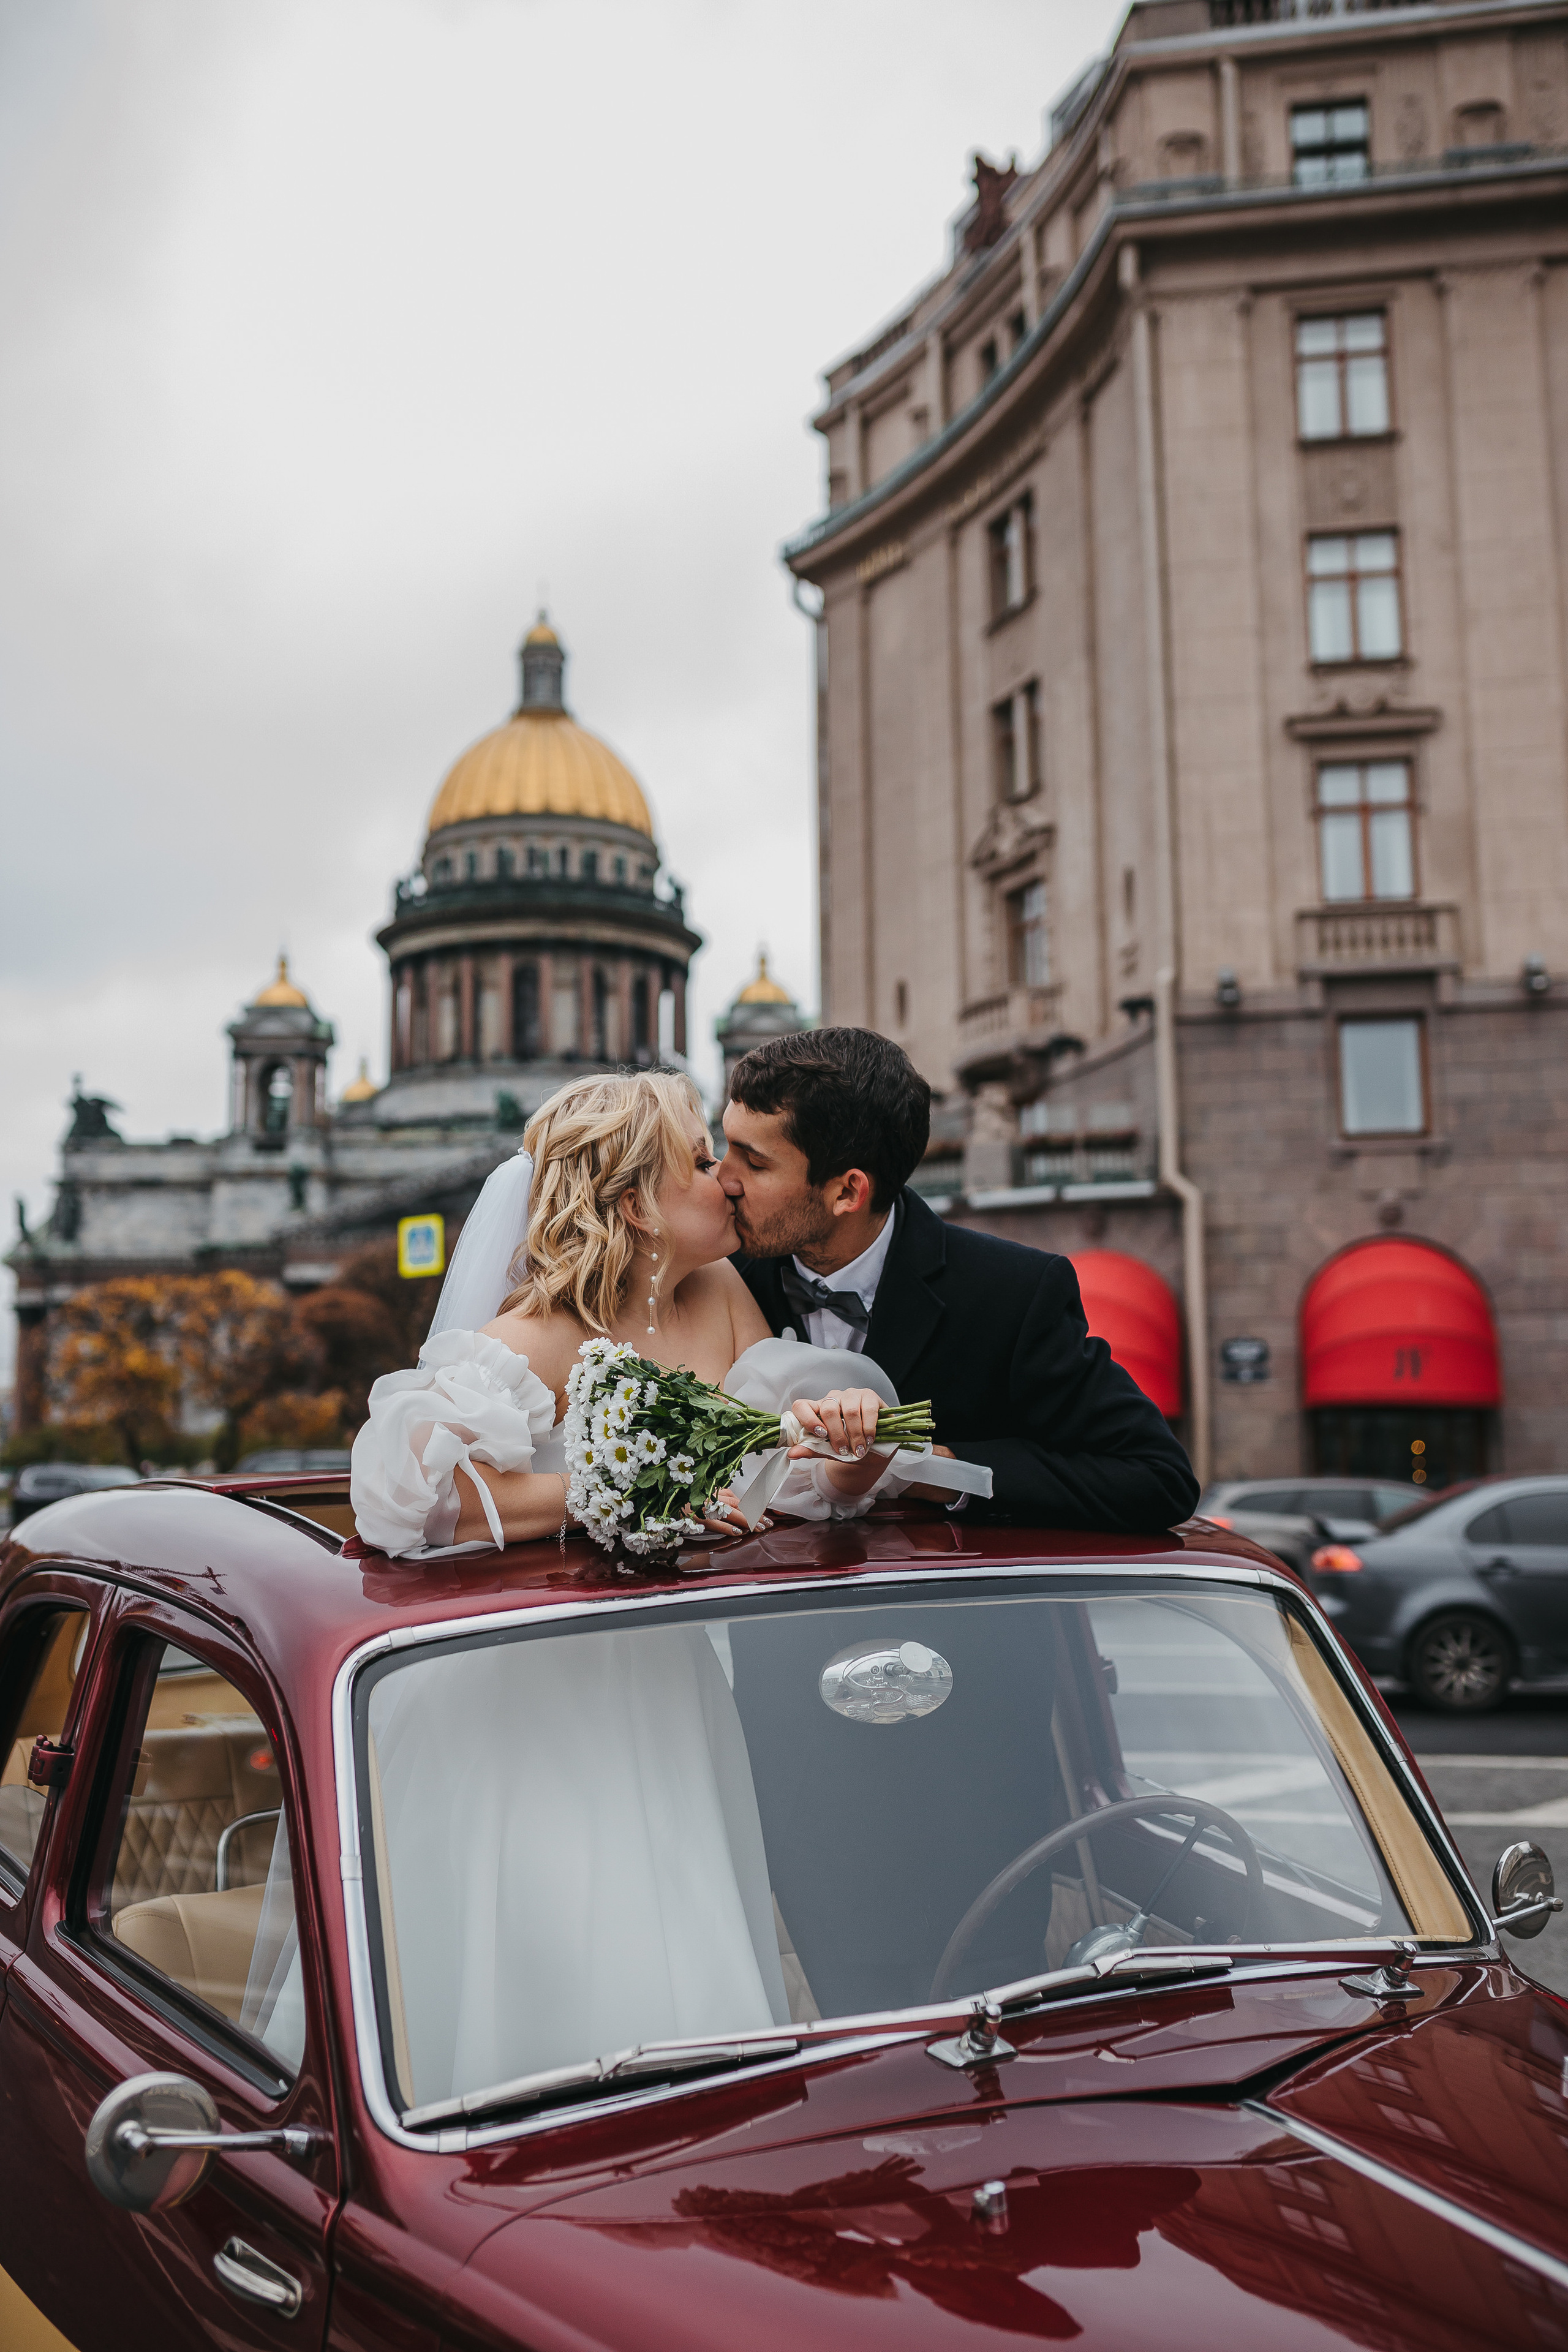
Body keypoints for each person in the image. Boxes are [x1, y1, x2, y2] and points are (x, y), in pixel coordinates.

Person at [350, 1068, 944, 1558]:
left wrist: (850, 1453)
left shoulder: (719, 1288)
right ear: (637, 1205)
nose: (730, 1181)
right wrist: (620, 1492)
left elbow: (774, 1479)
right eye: (705, 1162)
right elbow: (419, 1498)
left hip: (692, 1632)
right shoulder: (538, 1336)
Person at [722, 1028, 1200, 1534]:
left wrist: (931, 1469)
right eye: (723, 1146)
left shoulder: (1014, 1292)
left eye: (753, 1162)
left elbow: (1158, 1478)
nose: (723, 1179)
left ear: (847, 1192)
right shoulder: (721, 1281)